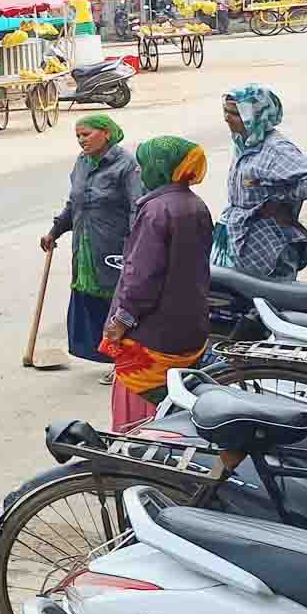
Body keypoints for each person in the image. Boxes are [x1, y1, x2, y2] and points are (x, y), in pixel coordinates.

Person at [101, 137, 214, 430]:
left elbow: (141, 277)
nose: (138, 172)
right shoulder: (196, 205)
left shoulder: (156, 211)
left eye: (143, 165)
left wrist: (122, 320)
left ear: (160, 168)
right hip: (189, 328)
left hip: (152, 332)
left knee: (138, 414)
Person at [41, 115, 143, 380]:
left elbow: (137, 207)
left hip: (114, 246)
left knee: (118, 302)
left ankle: (124, 360)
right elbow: (74, 202)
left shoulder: (127, 165)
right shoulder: (82, 163)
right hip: (86, 245)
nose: (81, 140)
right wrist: (56, 230)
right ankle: (109, 355)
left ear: (106, 133)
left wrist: (136, 245)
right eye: (78, 136)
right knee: (93, 301)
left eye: (86, 134)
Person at [211, 85, 307, 281]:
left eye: (235, 113)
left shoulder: (275, 149)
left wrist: (281, 201)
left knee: (269, 299)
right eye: (225, 111)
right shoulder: (243, 142)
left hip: (267, 242)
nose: (227, 118)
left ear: (255, 117)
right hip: (238, 236)